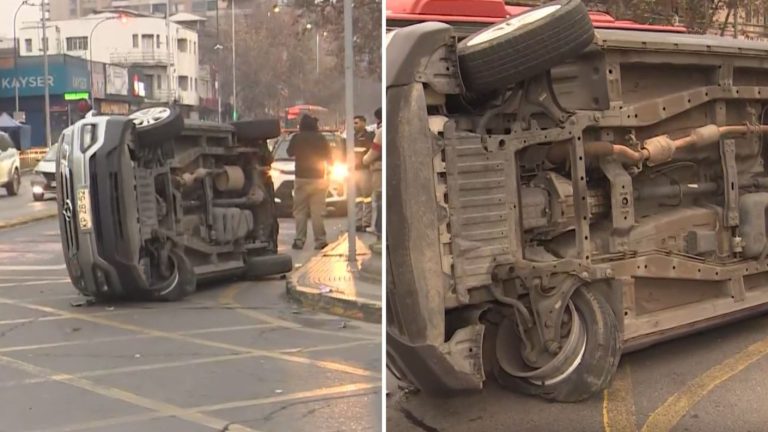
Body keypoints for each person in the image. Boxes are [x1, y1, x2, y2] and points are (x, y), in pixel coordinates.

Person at [287, 115, 332, 250]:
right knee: (317, 212)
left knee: (300, 211)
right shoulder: (321, 138)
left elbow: (289, 152)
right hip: (318, 178)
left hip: (301, 178)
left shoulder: (297, 137)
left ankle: (299, 240)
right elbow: (329, 157)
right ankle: (320, 240)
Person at [363, 107, 382, 238]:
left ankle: (378, 227)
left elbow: (373, 153)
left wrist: (364, 160)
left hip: (379, 169)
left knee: (378, 198)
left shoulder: (381, 131)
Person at [354, 115, 374, 230]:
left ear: (363, 123)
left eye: (356, 123)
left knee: (367, 197)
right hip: (353, 170)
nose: (354, 125)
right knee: (356, 198)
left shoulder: (369, 136)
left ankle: (366, 222)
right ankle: (357, 222)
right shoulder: (352, 137)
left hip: (365, 170)